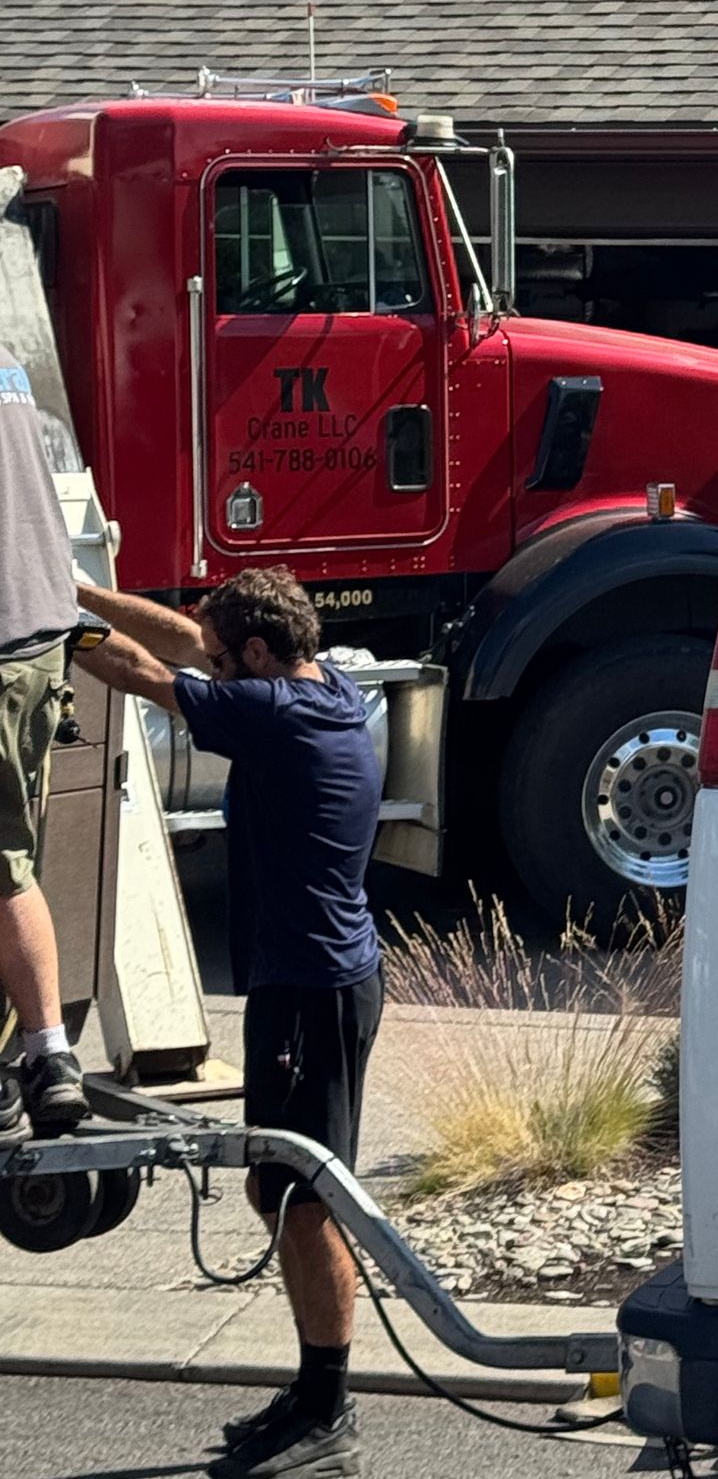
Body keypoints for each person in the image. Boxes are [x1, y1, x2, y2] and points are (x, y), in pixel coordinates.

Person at [75, 565, 381, 1479]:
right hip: (315, 983)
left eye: (222, 653)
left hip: (312, 991)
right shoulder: (317, 685)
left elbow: (139, 669)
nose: (205, 655)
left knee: (303, 1197)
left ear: (254, 655)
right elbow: (174, 640)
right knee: (277, 1187)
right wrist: (81, 590)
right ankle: (315, 1388)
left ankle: (328, 1409)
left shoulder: (276, 717)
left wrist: (47, 618)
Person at [0, 344, 89, 1141]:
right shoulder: (6, 358)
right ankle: (32, 1055)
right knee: (9, 856)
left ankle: (39, 1055)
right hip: (38, 642)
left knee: (2, 864)